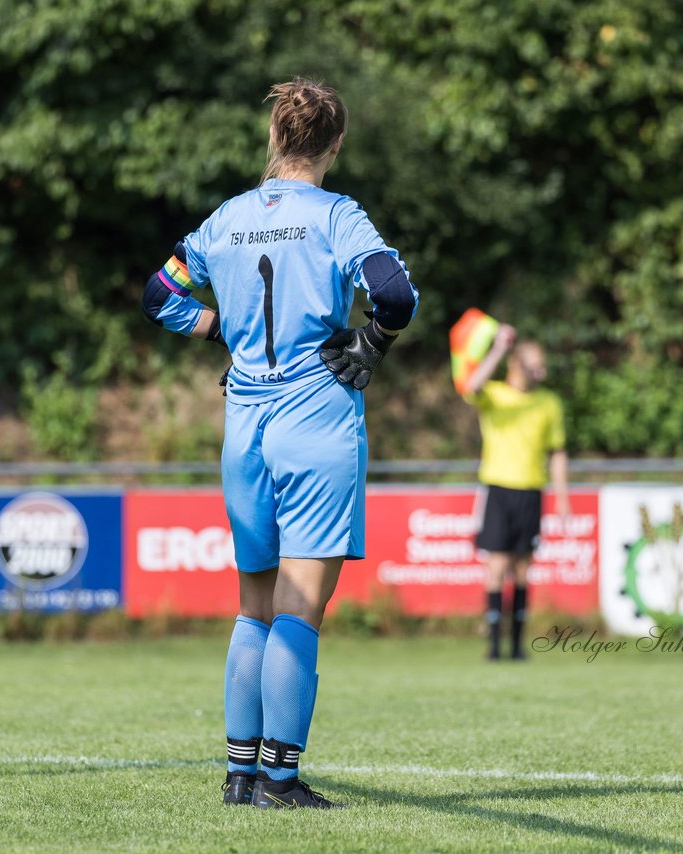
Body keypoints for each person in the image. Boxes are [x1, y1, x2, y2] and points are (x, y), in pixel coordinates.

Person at [141, 78, 418, 809]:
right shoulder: (336, 215)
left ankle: (239, 775)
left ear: (274, 138)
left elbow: (159, 295)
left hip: (245, 429)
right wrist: (372, 342)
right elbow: (395, 294)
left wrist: (218, 332)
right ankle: (281, 781)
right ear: (334, 144)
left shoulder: (226, 220)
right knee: (299, 609)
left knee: (252, 606)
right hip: (315, 421)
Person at [462, 325, 569, 661]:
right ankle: (493, 645)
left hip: (531, 490)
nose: (543, 371)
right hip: (498, 487)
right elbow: (472, 386)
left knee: (523, 568)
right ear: (518, 364)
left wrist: (563, 497)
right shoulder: (495, 395)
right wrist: (497, 348)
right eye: (537, 364)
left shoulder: (549, 402)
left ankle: (518, 645)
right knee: (496, 564)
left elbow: (558, 452)